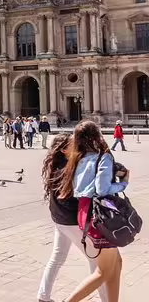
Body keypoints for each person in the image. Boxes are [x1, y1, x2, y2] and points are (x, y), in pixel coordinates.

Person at [56, 121, 128, 302]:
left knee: (116, 263)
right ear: (96, 135)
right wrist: (123, 182)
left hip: (85, 212)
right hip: (101, 215)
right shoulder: (102, 156)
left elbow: (78, 187)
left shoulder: (77, 158)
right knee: (102, 271)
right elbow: (102, 189)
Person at [37, 133, 109, 302]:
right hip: (73, 221)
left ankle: (43, 295)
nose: (76, 146)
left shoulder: (55, 165)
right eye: (72, 144)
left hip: (59, 219)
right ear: (64, 150)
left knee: (58, 256)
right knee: (97, 262)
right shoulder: (72, 167)